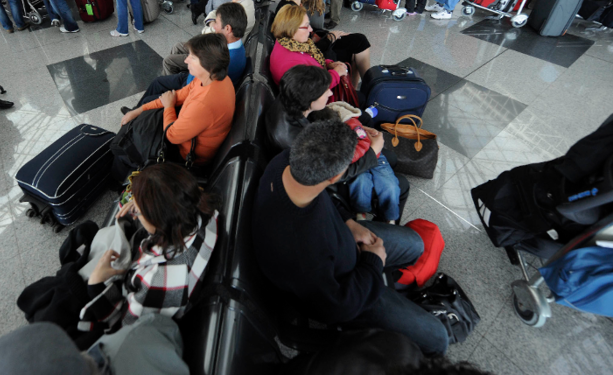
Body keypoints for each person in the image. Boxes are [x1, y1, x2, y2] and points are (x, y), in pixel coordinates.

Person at [252, 120, 449, 356]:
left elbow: (324, 200)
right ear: (336, 176)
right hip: (348, 285)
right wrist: (373, 263)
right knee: (438, 340)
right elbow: (338, 307)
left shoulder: (288, 162)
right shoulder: (302, 250)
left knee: (415, 244)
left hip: (342, 239)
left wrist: (348, 221)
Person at [80, 163, 218, 331]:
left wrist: (96, 285)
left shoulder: (157, 279)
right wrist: (143, 204)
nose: (135, 216)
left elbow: (124, 327)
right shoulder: (200, 211)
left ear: (157, 219)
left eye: (137, 212)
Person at [121, 34, 236, 166]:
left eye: (192, 57)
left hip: (187, 157)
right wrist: (139, 110)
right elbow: (179, 95)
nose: (186, 60)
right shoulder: (212, 77)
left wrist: (168, 107)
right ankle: (134, 117)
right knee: (147, 110)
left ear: (207, 65)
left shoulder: (204, 104)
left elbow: (171, 135)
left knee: (134, 145)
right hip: (187, 135)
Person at [129, 2, 248, 105]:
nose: (214, 27)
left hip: (189, 86)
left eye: (216, 23)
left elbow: (198, 86)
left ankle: (151, 106)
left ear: (227, 29)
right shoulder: (235, 48)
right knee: (158, 81)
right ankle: (138, 110)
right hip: (191, 80)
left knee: (152, 93)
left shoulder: (226, 59)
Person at [269, 4, 348, 88]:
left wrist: (329, 64)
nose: (310, 29)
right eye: (306, 26)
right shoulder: (292, 63)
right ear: (292, 29)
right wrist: (336, 74)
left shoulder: (289, 44)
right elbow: (314, 90)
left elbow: (312, 60)